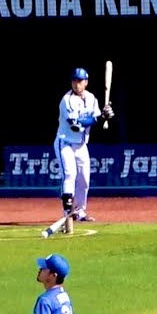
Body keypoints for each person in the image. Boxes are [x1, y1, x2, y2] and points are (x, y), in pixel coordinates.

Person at [54, 67, 114, 223]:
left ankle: (79, 211)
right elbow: (76, 124)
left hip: (81, 145)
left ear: (86, 82)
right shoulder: (67, 100)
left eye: (79, 81)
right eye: (74, 80)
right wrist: (99, 118)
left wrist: (106, 114)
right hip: (65, 142)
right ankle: (68, 213)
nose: (76, 84)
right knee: (70, 175)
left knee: (84, 180)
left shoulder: (92, 98)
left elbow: (97, 117)